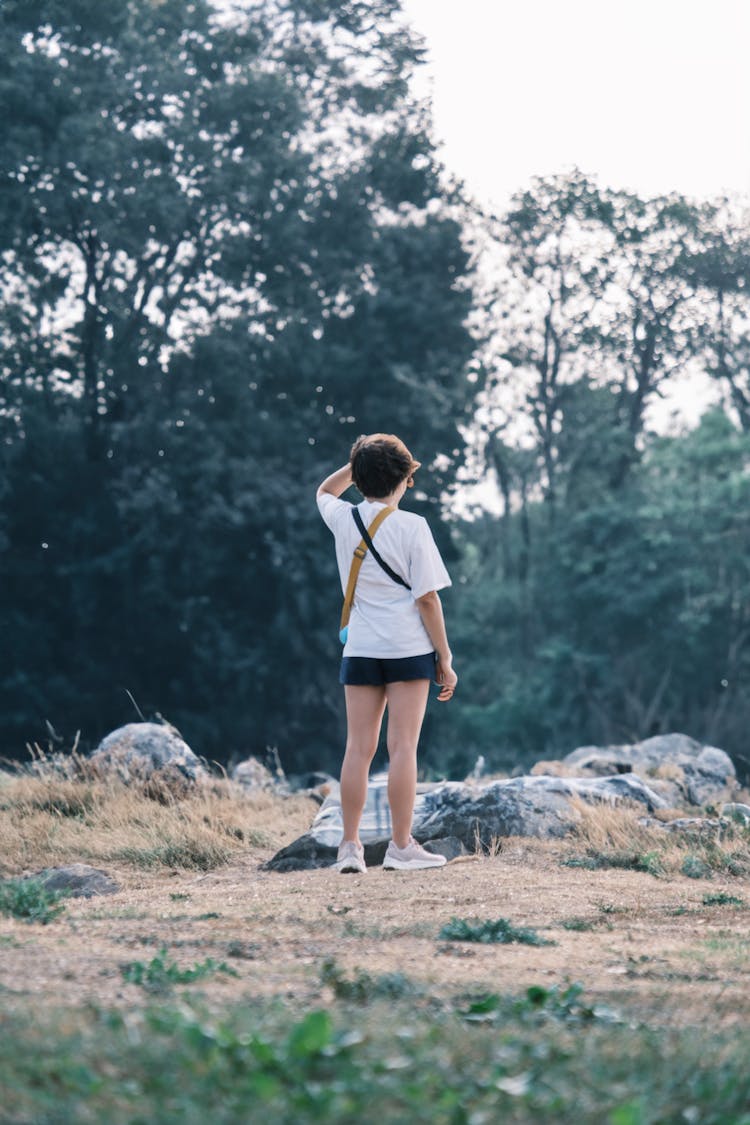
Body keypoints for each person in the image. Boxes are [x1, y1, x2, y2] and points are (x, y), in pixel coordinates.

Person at [316, 433, 458, 874]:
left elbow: (324, 491)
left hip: (360, 649)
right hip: (408, 651)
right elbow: (428, 600)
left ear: (359, 479)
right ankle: (400, 847)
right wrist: (446, 658)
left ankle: (350, 848)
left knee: (358, 749)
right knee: (402, 750)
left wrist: (355, 462)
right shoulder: (413, 527)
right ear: (403, 479)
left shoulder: (343, 519)